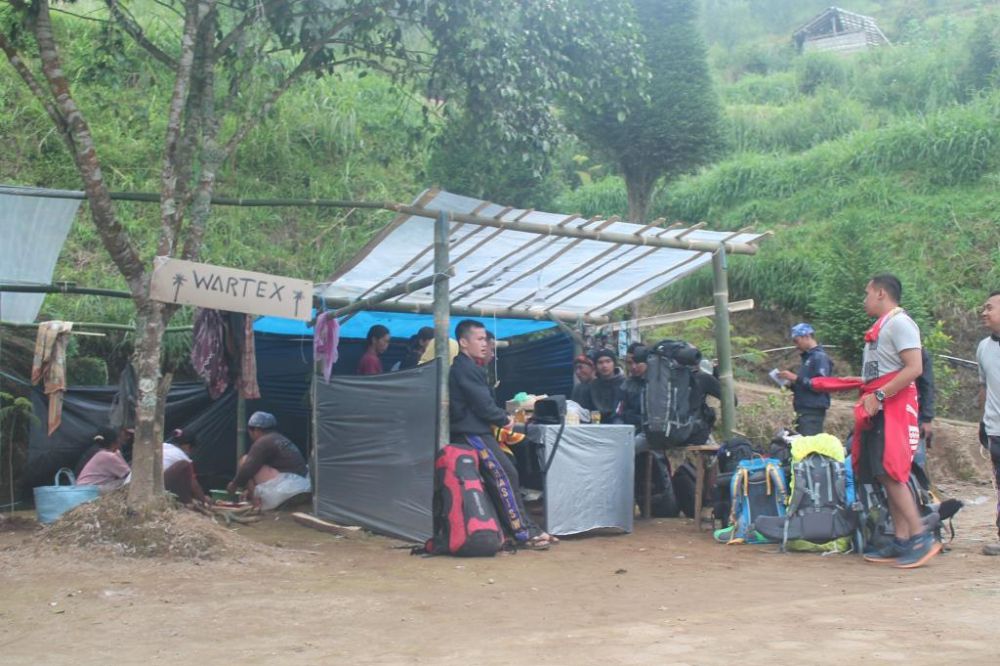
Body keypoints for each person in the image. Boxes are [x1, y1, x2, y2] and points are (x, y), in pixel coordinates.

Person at [856, 274, 940, 568]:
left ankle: (920, 536)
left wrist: (879, 394)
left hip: (893, 409)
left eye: (867, 293)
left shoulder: (900, 323)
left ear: (881, 293)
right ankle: (902, 538)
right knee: (884, 473)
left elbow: (914, 368)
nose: (864, 299)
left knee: (891, 472)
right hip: (880, 408)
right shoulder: (883, 327)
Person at [449, 318, 556, 549]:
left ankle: (523, 527)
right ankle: (523, 532)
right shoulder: (464, 368)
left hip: (478, 431)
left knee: (508, 472)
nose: (485, 344)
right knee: (504, 475)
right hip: (471, 433)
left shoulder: (471, 367)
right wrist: (505, 419)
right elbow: (483, 405)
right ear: (463, 342)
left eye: (485, 340)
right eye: (479, 339)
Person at [227, 411, 311, 511]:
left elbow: (248, 468)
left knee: (245, 460)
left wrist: (234, 484)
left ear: (256, 430)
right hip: (303, 485)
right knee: (255, 464)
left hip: (287, 488)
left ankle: (256, 503)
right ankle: (254, 497)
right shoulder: (280, 439)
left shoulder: (263, 442)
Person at [976, 290, 1000, 556]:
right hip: (995, 430)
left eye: (989, 308)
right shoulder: (983, 347)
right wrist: (982, 420)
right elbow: (984, 386)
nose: (984, 313)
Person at [778, 322, 833, 436]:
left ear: (807, 336)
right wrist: (791, 385)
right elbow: (806, 385)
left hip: (812, 412)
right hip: (801, 410)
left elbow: (820, 385)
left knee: (808, 443)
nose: (796, 345)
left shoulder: (820, 357)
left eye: (797, 341)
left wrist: (795, 378)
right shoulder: (808, 358)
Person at [76, 425, 131, 494]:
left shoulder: (104, 453)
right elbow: (128, 475)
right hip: (89, 490)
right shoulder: (108, 456)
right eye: (123, 436)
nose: (127, 438)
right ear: (115, 441)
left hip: (85, 488)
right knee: (127, 482)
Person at [162, 429, 208, 505]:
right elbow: (194, 485)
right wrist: (203, 500)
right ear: (187, 446)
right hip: (161, 487)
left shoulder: (163, 446)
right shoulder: (182, 457)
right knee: (184, 465)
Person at [914, 348, 936, 472]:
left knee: (917, 461)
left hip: (915, 414)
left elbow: (927, 386)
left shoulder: (919, 352)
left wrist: (927, 419)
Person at [589, 348, 624, 423]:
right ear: (596, 366)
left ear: (614, 364)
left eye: (608, 361)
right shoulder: (592, 386)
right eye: (600, 362)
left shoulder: (624, 384)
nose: (604, 365)